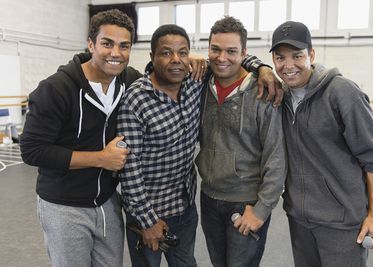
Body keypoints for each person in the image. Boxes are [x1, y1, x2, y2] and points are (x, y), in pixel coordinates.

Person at [117, 24, 279, 267]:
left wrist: (263, 67)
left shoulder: (193, 81)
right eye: (166, 53)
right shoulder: (136, 99)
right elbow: (129, 168)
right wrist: (147, 220)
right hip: (148, 212)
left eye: (183, 53)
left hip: (185, 207)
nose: (176, 60)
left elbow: (229, 58)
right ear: (152, 57)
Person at [20, 9, 139, 267]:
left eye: (124, 46)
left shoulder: (129, 81)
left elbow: (160, 76)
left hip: (107, 203)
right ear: (90, 44)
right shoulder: (56, 89)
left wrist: (195, 63)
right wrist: (101, 159)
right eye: (107, 43)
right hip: (63, 205)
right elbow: (32, 151)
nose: (116, 53)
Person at [269, 21, 373, 267]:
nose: (288, 65)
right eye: (280, 58)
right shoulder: (281, 96)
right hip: (300, 220)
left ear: (311, 54)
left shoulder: (342, 92)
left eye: (297, 56)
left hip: (342, 224)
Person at [195, 16, 287, 267]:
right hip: (209, 198)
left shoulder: (263, 92)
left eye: (231, 51)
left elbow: (276, 157)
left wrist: (261, 210)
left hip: (246, 201)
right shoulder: (200, 85)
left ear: (244, 53)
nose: (222, 58)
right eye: (215, 49)